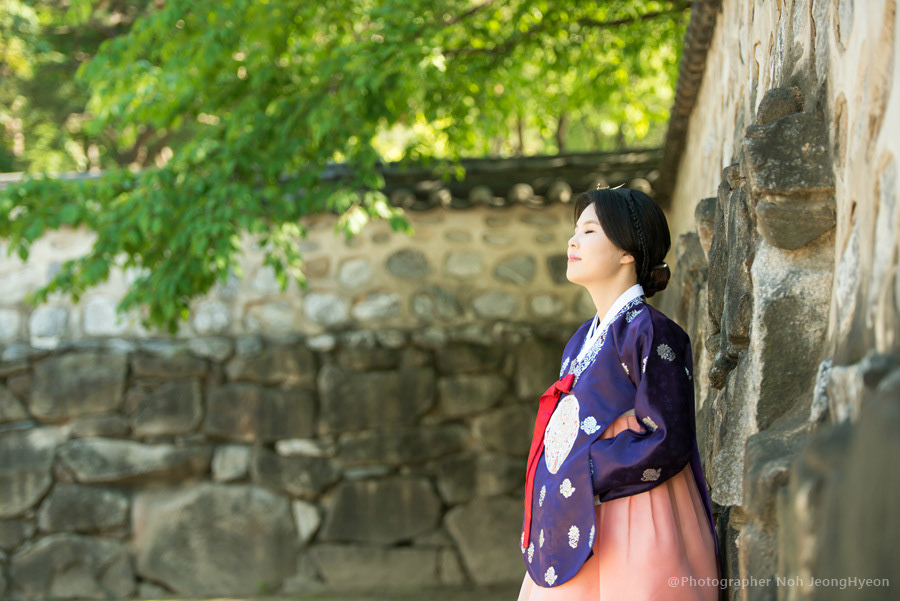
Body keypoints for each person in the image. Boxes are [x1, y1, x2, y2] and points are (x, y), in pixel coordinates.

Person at [516, 186, 721, 601]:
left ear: (627, 251)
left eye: (589, 231)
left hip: (639, 511)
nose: (573, 241)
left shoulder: (651, 331)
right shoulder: (580, 341)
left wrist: (584, 466)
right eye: (575, 231)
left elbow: (668, 437)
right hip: (580, 511)